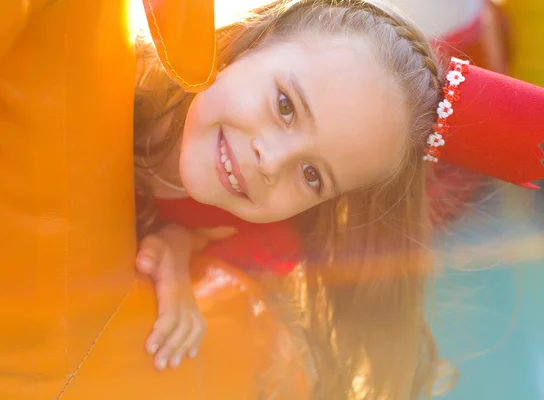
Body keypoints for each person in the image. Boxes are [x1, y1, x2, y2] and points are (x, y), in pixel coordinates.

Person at [132, 0, 544, 398]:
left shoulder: (261, 237)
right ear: (247, 40)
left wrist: (179, 245)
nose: (271, 162)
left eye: (312, 175)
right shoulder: (116, 66)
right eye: (285, 106)